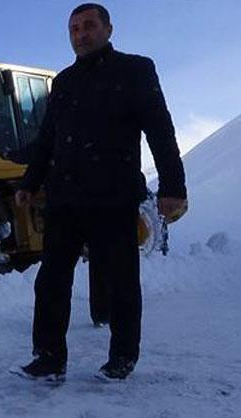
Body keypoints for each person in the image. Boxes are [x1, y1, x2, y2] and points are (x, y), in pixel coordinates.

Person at [13, 3, 188, 380]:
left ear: (109, 29)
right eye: (74, 29)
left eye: (89, 26)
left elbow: (160, 128)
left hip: (113, 196)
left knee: (121, 280)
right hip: (64, 199)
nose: (81, 34)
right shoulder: (63, 83)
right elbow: (47, 140)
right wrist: (30, 182)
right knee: (51, 281)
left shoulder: (135, 70)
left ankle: (122, 357)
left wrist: (173, 186)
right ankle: (48, 357)